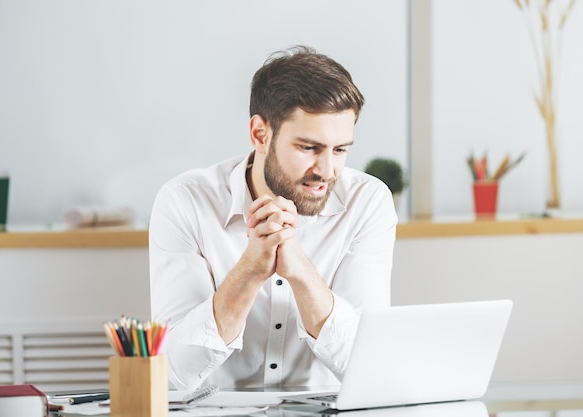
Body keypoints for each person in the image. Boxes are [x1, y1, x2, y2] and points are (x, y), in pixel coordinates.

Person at [149, 45, 397, 390]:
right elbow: (172, 376)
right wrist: (250, 270)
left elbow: (369, 368)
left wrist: (300, 271)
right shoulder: (185, 201)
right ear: (260, 134)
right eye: (308, 148)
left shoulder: (367, 202)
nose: (326, 171)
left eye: (340, 150)